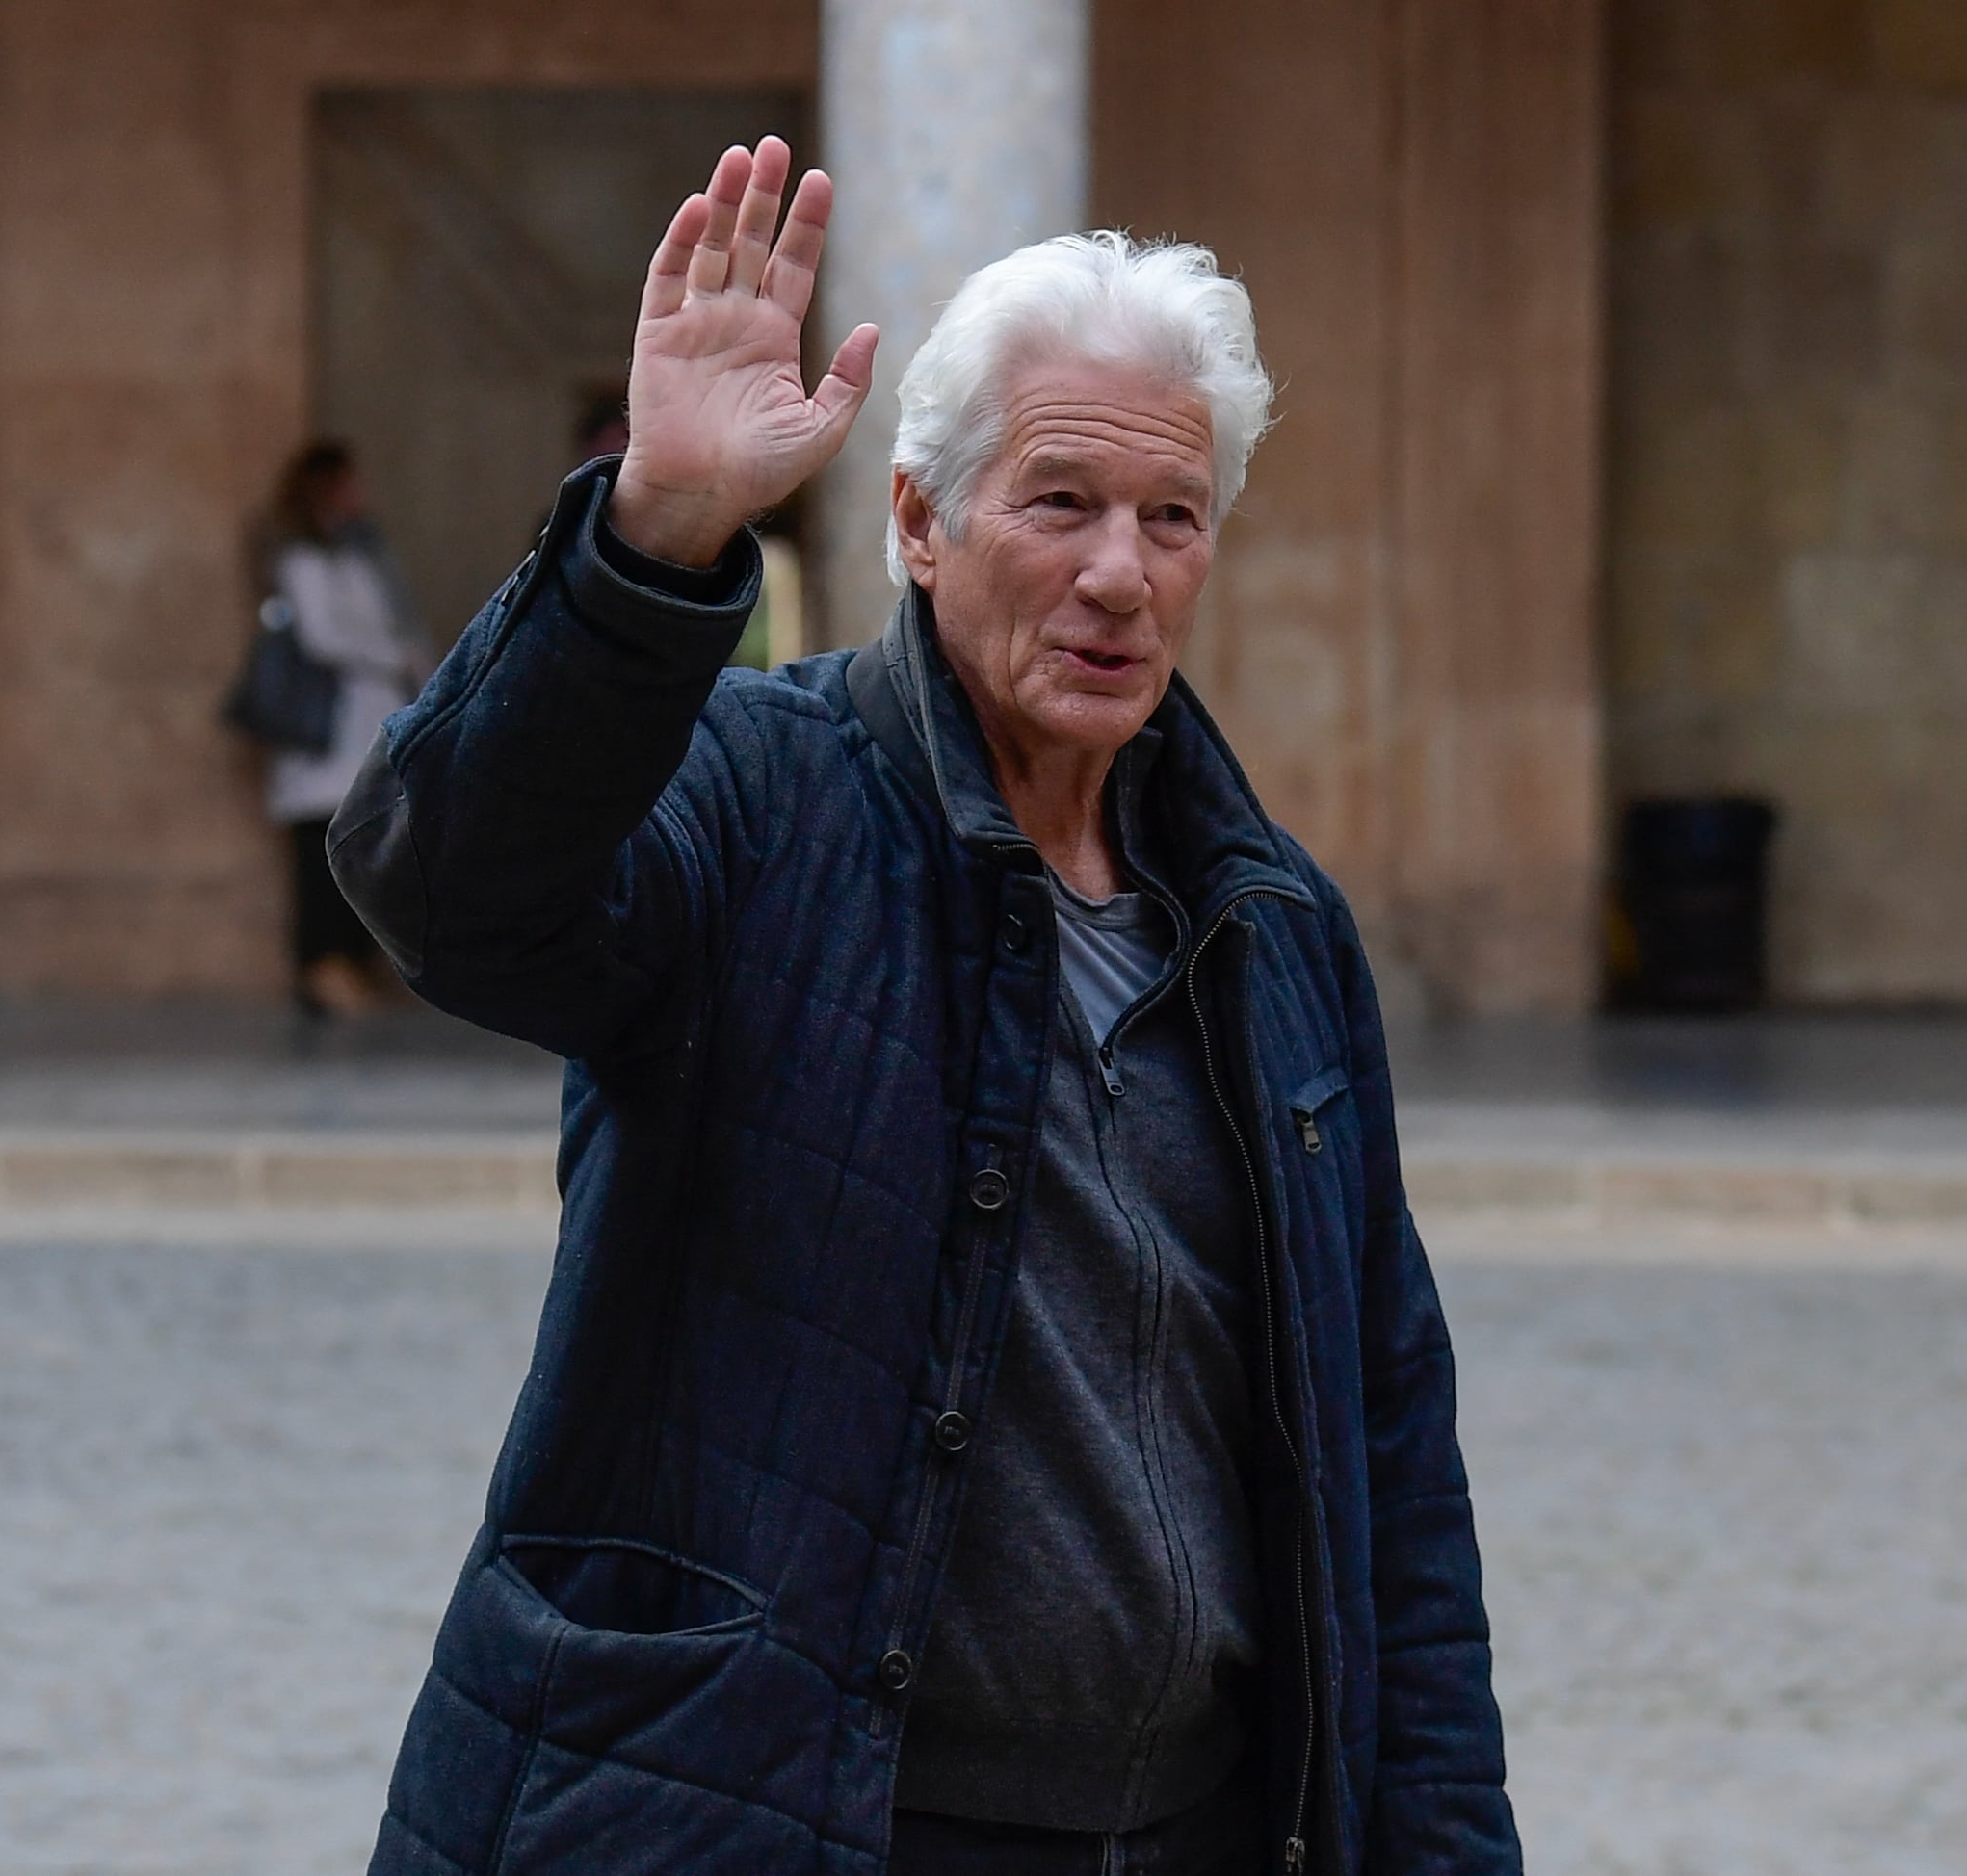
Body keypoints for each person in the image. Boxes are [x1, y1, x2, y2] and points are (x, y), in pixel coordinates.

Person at [332, 137, 1519, 1876]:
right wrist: (655, 537)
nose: (1119, 572)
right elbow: (450, 893)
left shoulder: (1278, 930)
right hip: (773, 1816)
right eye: (1058, 502)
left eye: (1170, 518)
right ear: (916, 521)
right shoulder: (752, 796)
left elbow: (1389, 1462)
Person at [256, 440, 426, 1018]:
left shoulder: (360, 555)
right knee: (320, 849)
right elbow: (324, 637)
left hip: (367, 721)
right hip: (329, 730)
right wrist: (391, 657)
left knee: (364, 842)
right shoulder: (303, 560)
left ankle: (357, 960)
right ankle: (322, 966)